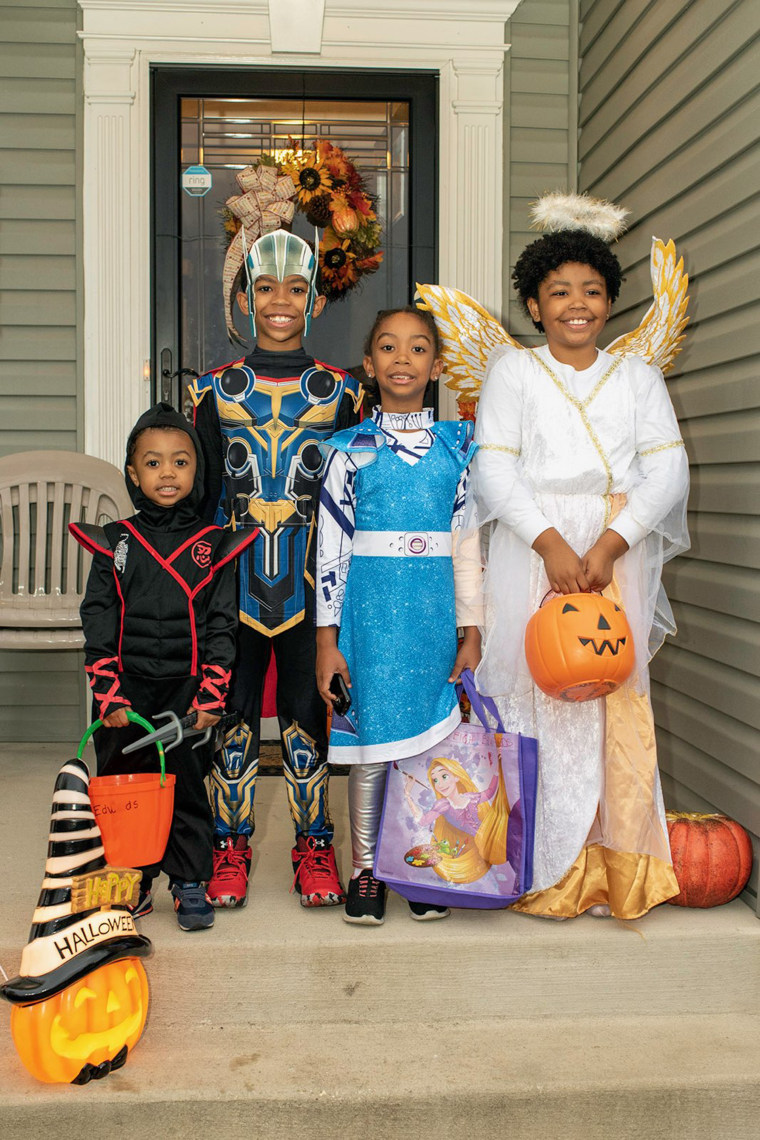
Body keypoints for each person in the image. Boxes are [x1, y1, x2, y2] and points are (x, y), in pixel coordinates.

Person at [472, 193, 690, 920]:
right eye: (559, 292)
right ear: (534, 305)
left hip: (609, 554)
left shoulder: (638, 378)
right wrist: (550, 543)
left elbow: (668, 469)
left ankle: (606, 864)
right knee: (535, 695)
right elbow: (493, 468)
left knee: (606, 698)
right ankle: (538, 863)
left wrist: (608, 544)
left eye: (591, 291)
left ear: (608, 302)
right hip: (534, 548)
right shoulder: (513, 372)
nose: (576, 304)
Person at [191, 228, 363, 909]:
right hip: (232, 589)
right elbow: (200, 497)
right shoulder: (214, 390)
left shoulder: (342, 393)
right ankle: (228, 848)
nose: (281, 301)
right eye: (266, 289)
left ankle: (313, 846)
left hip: (312, 590)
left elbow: (359, 495)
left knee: (305, 714)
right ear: (247, 297)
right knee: (230, 718)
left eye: (296, 289)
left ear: (315, 300)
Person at [315, 306, 483, 925]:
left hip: (433, 618)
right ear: (370, 364)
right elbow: (330, 547)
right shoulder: (349, 450)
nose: (403, 358)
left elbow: (466, 545)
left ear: (436, 366)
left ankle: (416, 862)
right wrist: (326, 640)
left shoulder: (454, 448)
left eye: (418, 349)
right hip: (371, 616)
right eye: (388, 346)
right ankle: (365, 871)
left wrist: (470, 630)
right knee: (375, 747)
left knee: (426, 746)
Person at [70, 403, 255, 931]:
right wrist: (108, 693)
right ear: (133, 473)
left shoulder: (214, 544)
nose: (167, 473)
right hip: (125, 691)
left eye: (180, 462)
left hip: (187, 692)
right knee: (124, 790)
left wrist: (212, 696)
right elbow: (98, 619)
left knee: (186, 785)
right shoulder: (116, 542)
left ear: (197, 471)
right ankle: (131, 878)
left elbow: (223, 626)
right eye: (153, 463)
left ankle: (189, 879)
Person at [403, 758, 509, 884]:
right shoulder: (443, 805)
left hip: (492, 835)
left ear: (456, 777)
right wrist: (407, 794)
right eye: (435, 780)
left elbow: (490, 793)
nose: (440, 784)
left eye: (444, 776)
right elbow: (422, 821)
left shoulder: (471, 797)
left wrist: (497, 771)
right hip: (481, 845)